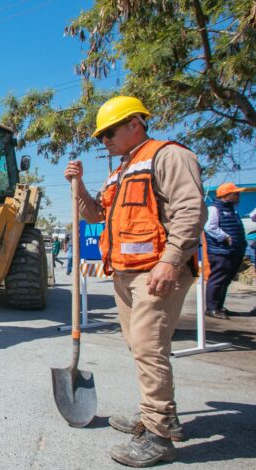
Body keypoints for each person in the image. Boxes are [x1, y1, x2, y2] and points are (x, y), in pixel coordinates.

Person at [64, 96, 205, 467]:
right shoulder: (119, 171)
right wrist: (78, 186)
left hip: (156, 272)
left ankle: (159, 436)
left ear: (134, 124)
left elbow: (190, 210)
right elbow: (96, 214)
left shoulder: (168, 156)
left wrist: (171, 260)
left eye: (108, 133)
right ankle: (159, 416)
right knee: (142, 348)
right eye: (100, 138)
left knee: (148, 349)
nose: (104, 141)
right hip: (124, 273)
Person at [203, 182, 247, 319]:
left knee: (226, 280)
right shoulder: (214, 209)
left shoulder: (232, 209)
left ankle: (219, 306)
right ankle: (211, 308)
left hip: (233, 251)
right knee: (217, 280)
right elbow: (209, 227)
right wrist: (225, 236)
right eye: (235, 194)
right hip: (220, 252)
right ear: (226, 195)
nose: (238, 196)